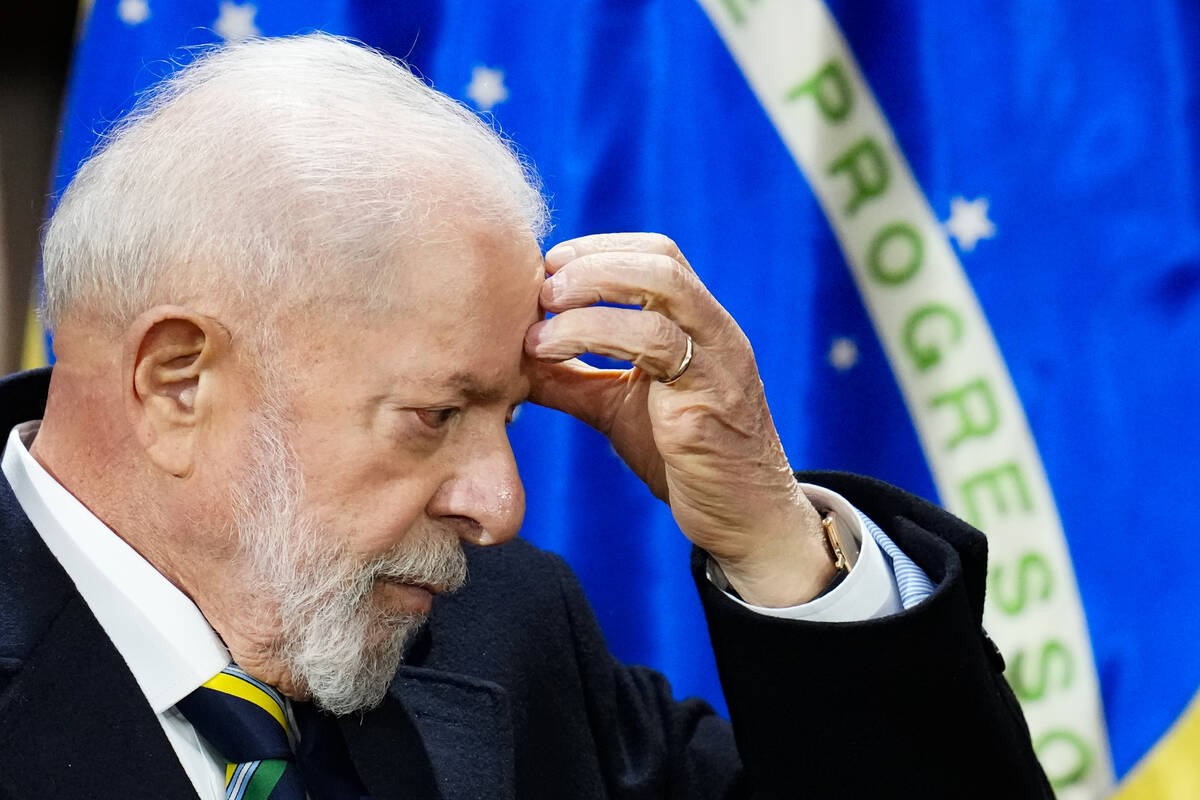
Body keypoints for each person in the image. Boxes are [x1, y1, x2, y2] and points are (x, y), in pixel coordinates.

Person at [0, 34, 1049, 799]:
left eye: (506, 411)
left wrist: (772, 539)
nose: (501, 506)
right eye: (434, 413)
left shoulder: (507, 631)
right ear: (179, 379)